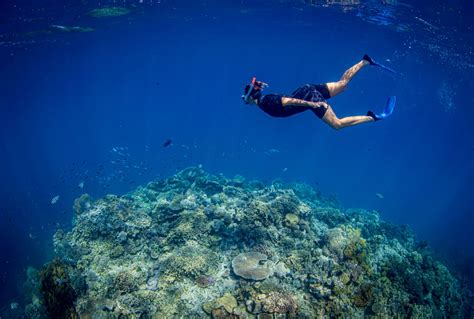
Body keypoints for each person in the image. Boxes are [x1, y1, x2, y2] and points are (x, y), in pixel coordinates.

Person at [241, 54, 396, 130]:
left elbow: (286, 101)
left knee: (337, 124)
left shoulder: (265, 102)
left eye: (244, 98)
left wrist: (312, 104)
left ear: (249, 98)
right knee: (342, 84)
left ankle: (373, 117)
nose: (244, 101)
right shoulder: (263, 100)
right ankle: (365, 61)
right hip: (306, 89)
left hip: (309, 97)